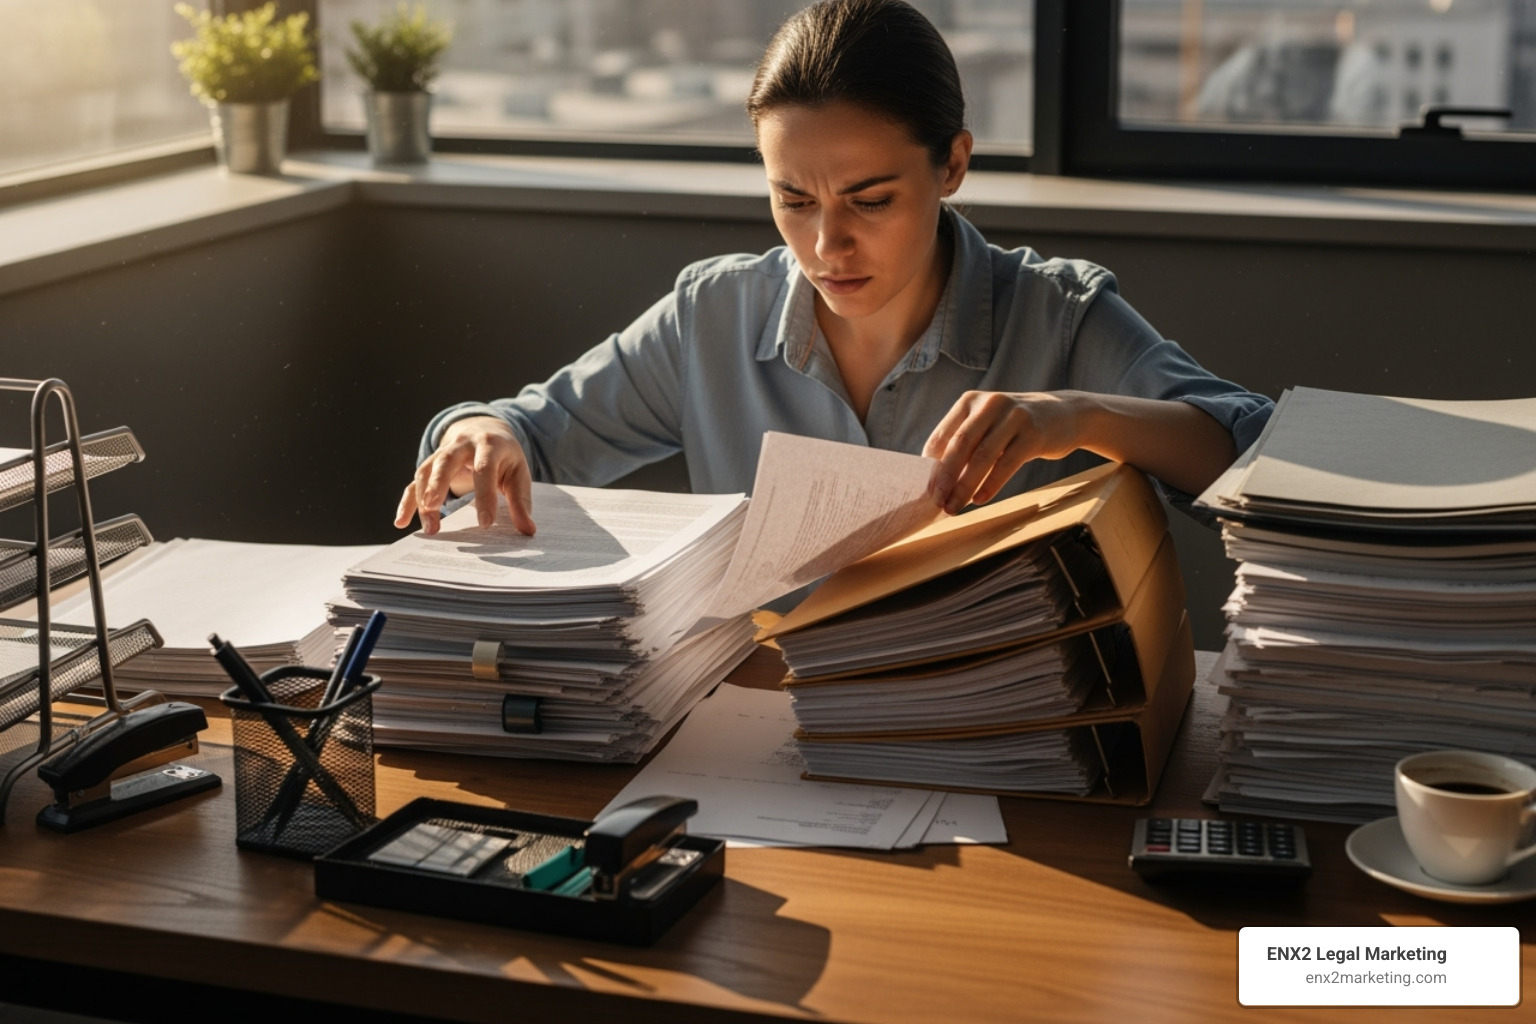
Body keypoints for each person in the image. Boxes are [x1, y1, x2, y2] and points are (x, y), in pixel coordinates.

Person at [395, 0, 1272, 539]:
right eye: (794, 200)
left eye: (871, 199)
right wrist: (481, 434)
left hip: (1000, 749)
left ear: (953, 164)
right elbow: (532, 434)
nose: (825, 247)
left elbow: (1253, 451)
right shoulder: (714, 317)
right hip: (761, 732)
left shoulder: (1058, 317)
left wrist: (1077, 417)